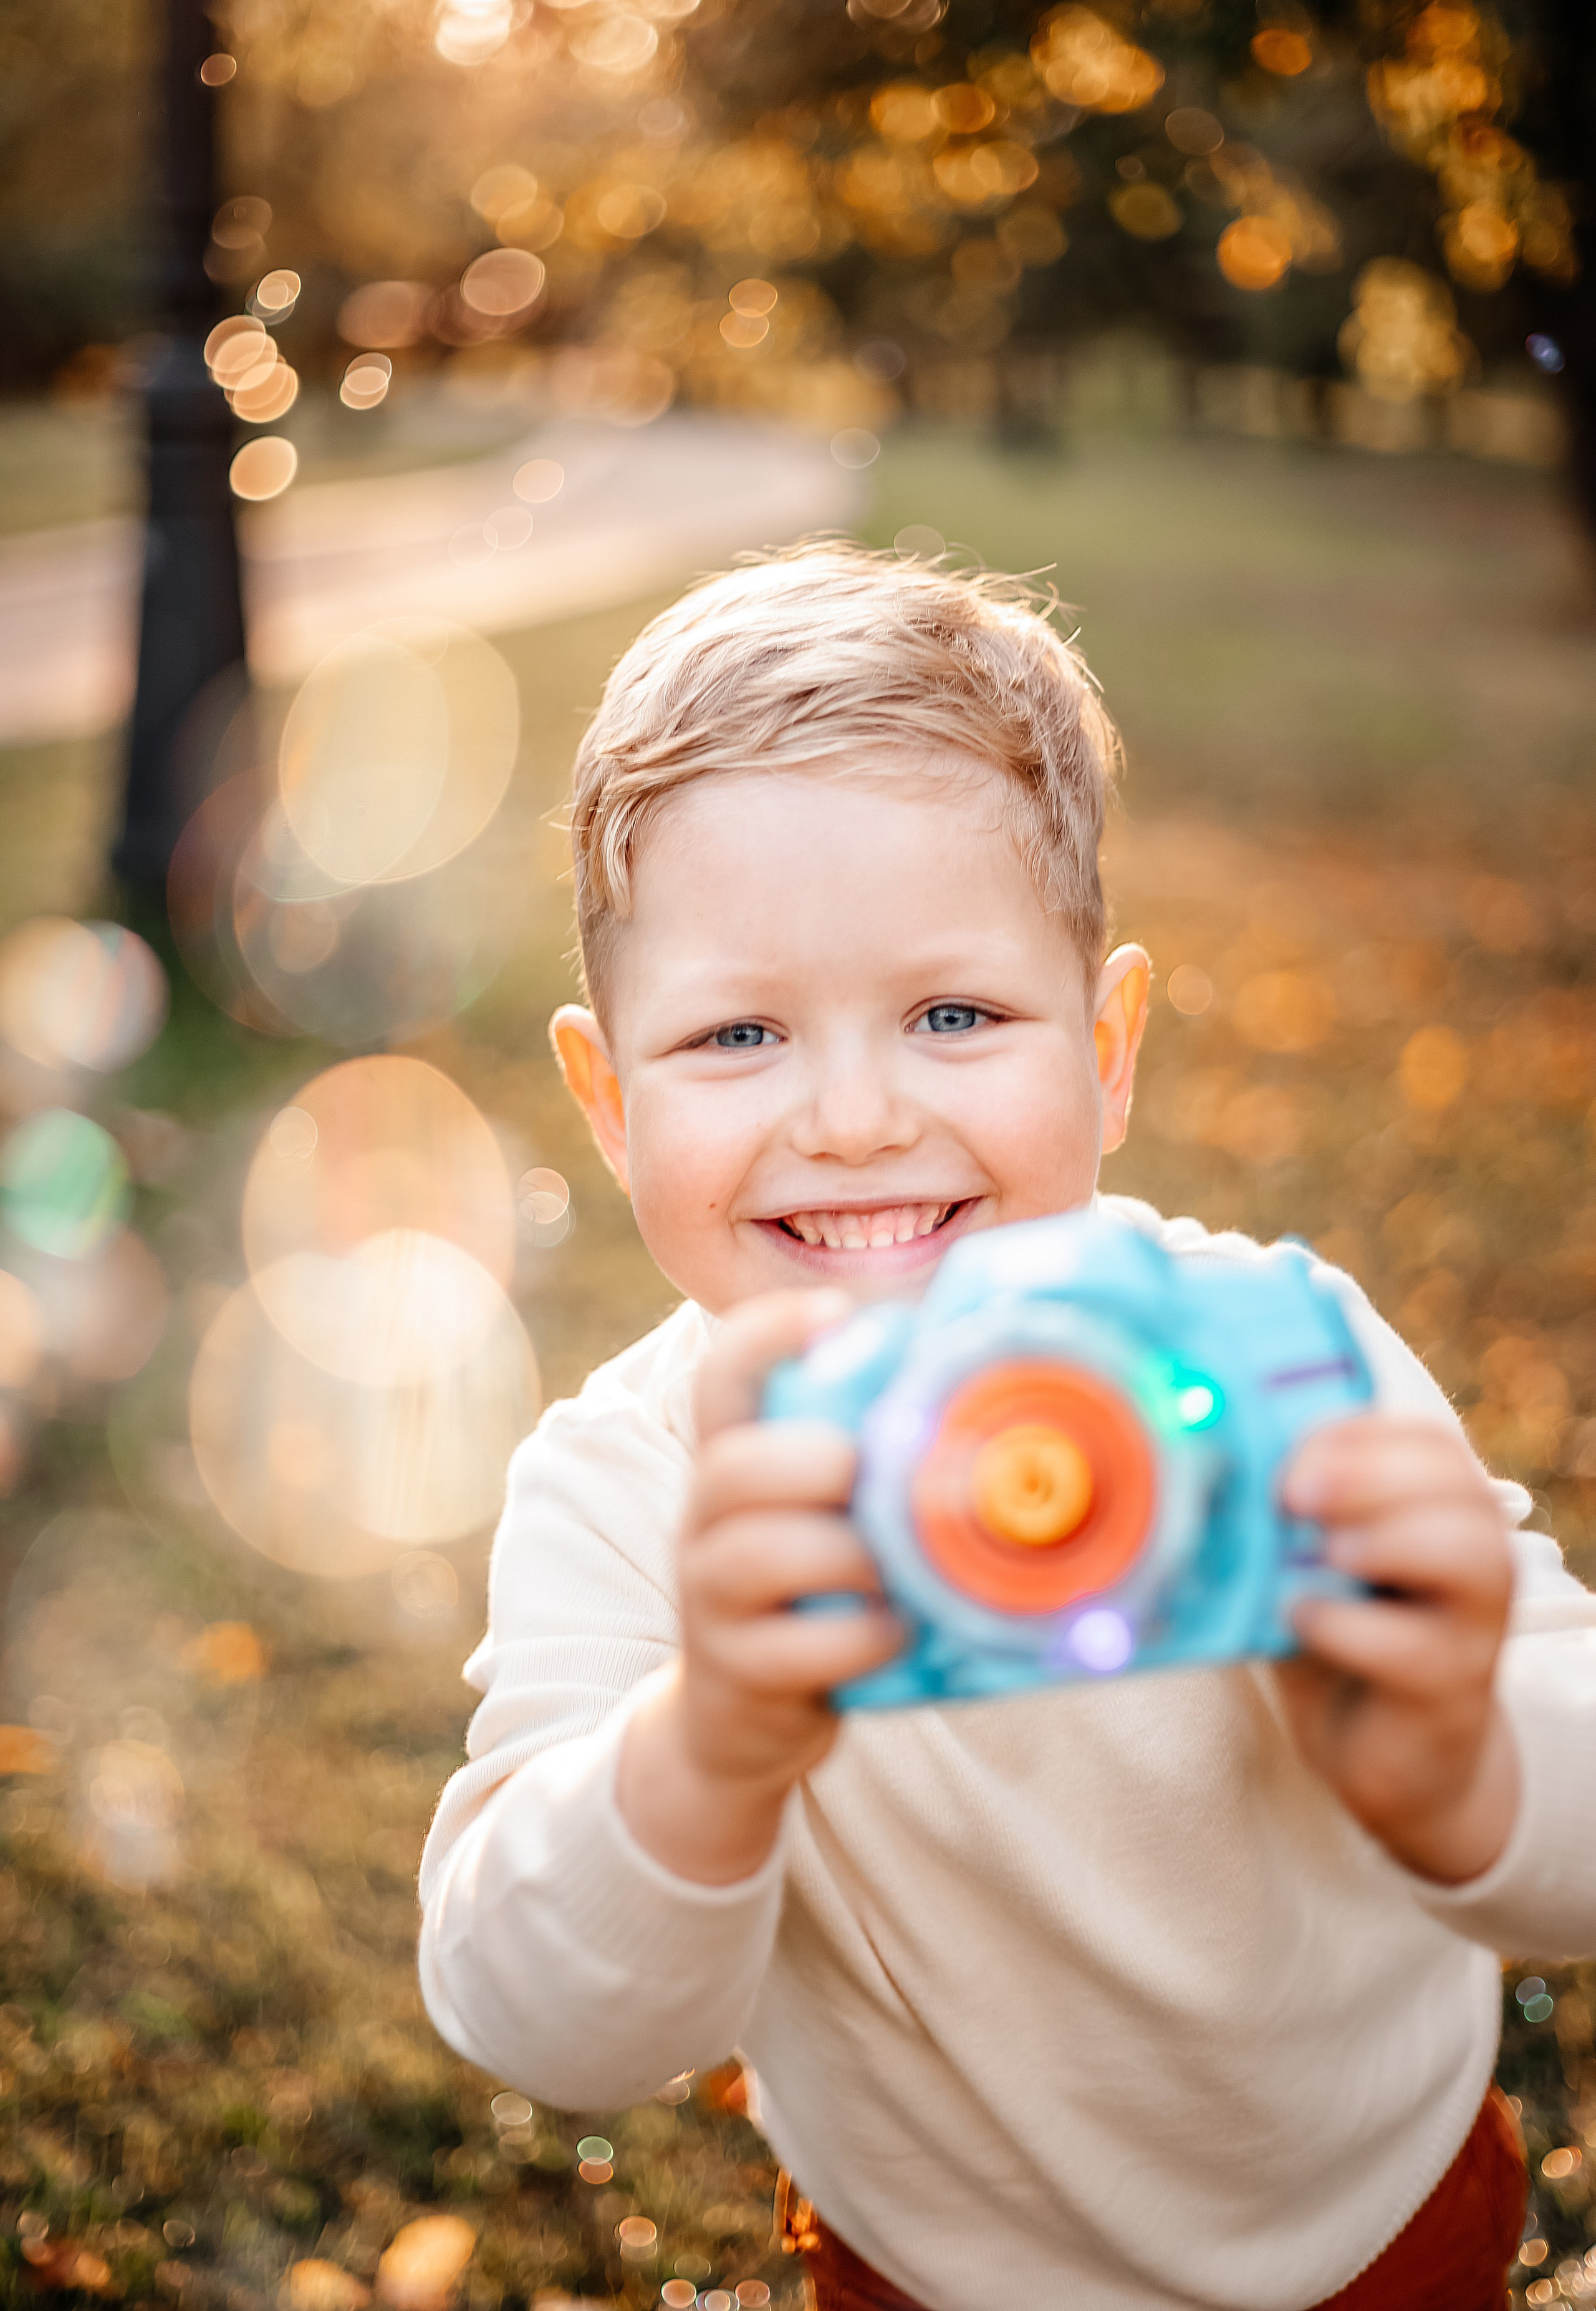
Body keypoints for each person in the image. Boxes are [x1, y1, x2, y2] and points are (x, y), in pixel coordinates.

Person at [418, 545, 1595, 2311]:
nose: (857, 1115)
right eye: (737, 1033)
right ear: (604, 1098)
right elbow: (540, 2016)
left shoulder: (1265, 1362)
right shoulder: (639, 1491)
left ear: (1108, 1049)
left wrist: (1457, 1752)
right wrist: (715, 1745)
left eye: (955, 1015)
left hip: (1389, 2224)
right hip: (941, 2274)